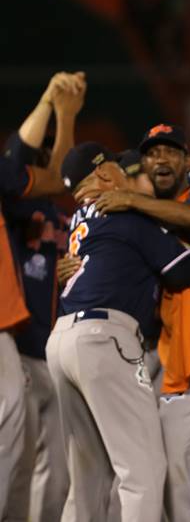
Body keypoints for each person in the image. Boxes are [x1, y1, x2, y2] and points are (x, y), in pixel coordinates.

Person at [50, 141, 190, 522]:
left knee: (87, 477)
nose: (127, 176)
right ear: (105, 175)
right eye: (120, 169)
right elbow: (185, 271)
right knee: (144, 471)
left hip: (62, 340)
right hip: (103, 340)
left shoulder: (81, 220)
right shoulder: (124, 214)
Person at [84, 123, 190, 522]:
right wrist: (79, 268)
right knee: (172, 480)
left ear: (187, 160)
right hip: (182, 372)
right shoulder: (141, 223)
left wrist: (131, 200)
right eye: (152, 153)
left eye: (170, 151)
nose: (161, 159)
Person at [0, 72, 82, 520]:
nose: (51, 160)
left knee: (46, 468)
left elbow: (60, 177)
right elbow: (14, 168)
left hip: (47, 348)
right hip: (23, 342)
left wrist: (63, 113)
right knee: (17, 455)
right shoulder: (16, 204)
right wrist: (55, 106)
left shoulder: (62, 213)